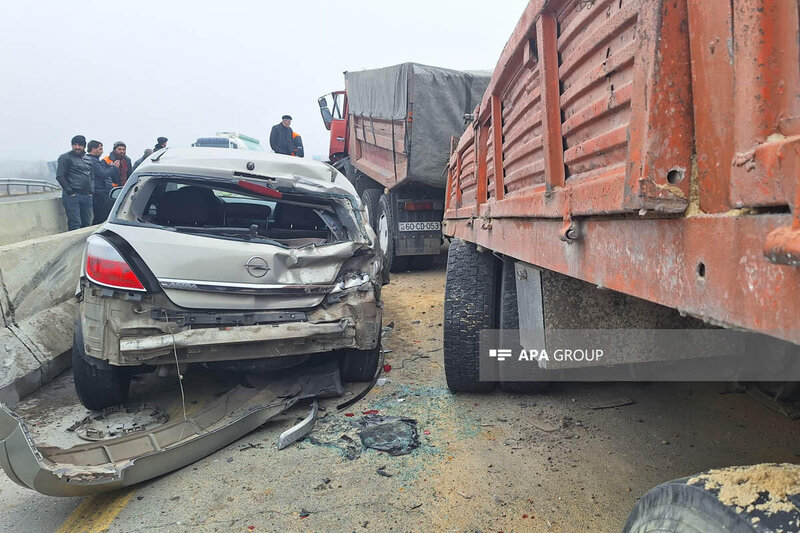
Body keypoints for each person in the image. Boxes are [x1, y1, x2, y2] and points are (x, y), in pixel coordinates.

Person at [55, 135, 93, 230]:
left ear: (84, 146)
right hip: (72, 196)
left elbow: (92, 176)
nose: (77, 147)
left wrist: (91, 191)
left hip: (86, 195)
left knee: (87, 223)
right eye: (74, 144)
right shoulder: (65, 158)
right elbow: (60, 176)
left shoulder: (88, 159)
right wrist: (70, 192)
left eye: (80, 145)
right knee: (75, 223)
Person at [86, 140, 119, 224]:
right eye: (100, 149)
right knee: (100, 217)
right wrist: (114, 167)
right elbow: (103, 174)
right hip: (98, 193)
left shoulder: (94, 160)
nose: (102, 151)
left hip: (99, 192)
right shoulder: (93, 160)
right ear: (93, 149)